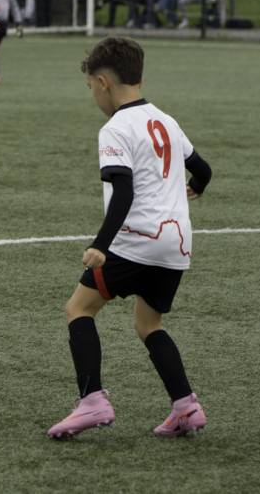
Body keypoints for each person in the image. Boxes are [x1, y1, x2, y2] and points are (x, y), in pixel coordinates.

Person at [46, 37, 213, 439]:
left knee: (79, 309)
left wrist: (100, 245)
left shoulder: (116, 128)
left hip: (136, 239)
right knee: (148, 322)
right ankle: (186, 406)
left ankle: (92, 401)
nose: (93, 96)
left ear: (102, 82)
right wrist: (196, 187)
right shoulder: (166, 119)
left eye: (90, 88)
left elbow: (123, 191)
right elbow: (203, 169)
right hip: (177, 243)